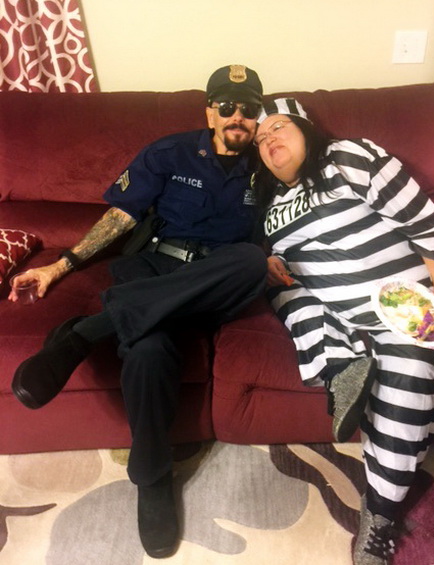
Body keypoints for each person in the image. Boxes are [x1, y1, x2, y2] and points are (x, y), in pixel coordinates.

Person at [9, 65, 268, 559]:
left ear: (258, 116)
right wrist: (59, 266)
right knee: (148, 350)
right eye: (227, 105)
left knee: (252, 261)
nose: (238, 115)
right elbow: (120, 216)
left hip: (215, 281)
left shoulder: (267, 163)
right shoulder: (168, 153)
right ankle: (152, 479)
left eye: (249, 108)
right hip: (154, 268)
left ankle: (84, 334)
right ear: (209, 112)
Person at [252, 98, 434, 565]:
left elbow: (418, 213)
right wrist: (268, 261)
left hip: (396, 304)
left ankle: (380, 512)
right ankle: (343, 369)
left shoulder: (345, 156)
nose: (269, 140)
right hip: (325, 307)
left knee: (410, 380)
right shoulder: (269, 203)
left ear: (306, 130)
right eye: (261, 139)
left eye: (279, 127)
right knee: (282, 294)